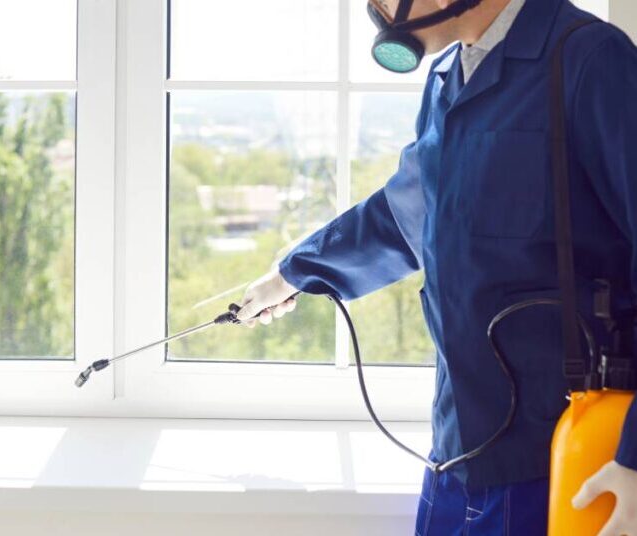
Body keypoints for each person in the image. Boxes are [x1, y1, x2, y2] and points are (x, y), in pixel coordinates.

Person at [235, 0, 637, 533]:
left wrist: (634, 456)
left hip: (561, 456)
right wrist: (293, 273)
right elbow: (408, 213)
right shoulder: (450, 76)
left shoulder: (590, 61)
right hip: (458, 451)